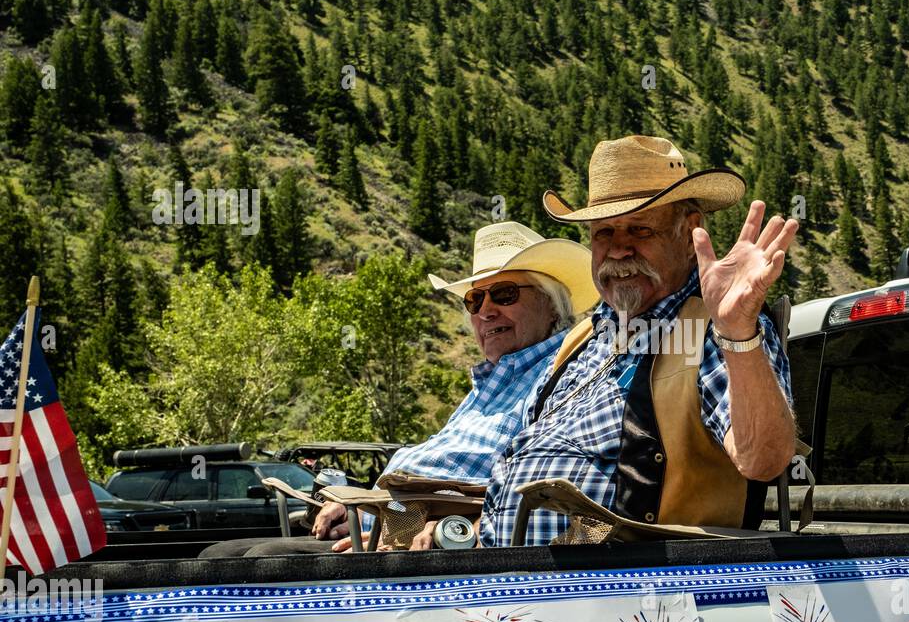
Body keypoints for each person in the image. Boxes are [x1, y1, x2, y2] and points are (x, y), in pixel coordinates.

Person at [477, 134, 798, 548]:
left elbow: (764, 460)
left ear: (690, 233)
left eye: (640, 229)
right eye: (604, 232)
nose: (619, 249)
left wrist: (737, 330)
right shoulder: (582, 339)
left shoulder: (712, 331)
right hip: (512, 587)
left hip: (626, 593)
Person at [201, 221, 597, 556]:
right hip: (389, 523)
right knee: (219, 555)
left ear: (552, 304)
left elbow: (525, 489)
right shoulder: (492, 382)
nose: (486, 310)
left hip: (436, 542)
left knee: (257, 559)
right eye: (474, 301)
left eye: (504, 294)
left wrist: (400, 522)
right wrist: (360, 504)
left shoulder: (562, 374)